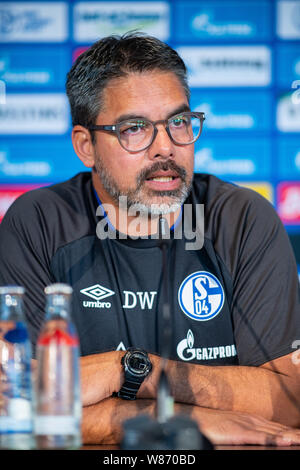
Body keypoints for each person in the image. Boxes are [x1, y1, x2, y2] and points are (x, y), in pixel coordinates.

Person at [0, 32, 300, 447]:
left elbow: (290, 401)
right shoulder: (39, 222)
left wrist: (125, 371)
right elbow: (18, 405)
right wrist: (176, 416)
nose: (167, 148)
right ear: (86, 146)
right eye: (135, 128)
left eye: (178, 122)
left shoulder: (243, 217)